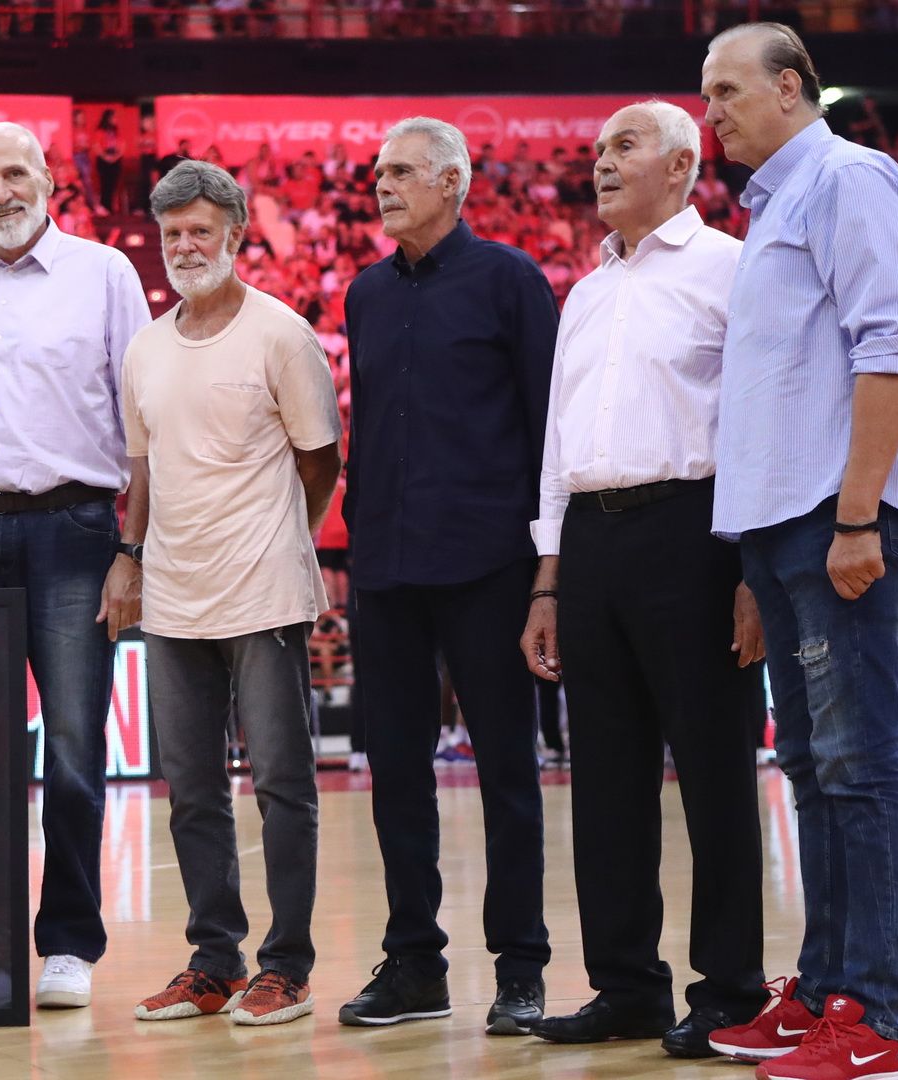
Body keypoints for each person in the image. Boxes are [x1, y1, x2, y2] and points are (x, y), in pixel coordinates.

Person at [698, 25, 898, 1080]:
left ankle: (871, 1017)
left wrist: (857, 517)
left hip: (837, 519)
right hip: (783, 526)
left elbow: (894, 345)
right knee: (809, 766)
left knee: (857, 766)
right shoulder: (775, 209)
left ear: (791, 87)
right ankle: (822, 987)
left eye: (727, 89)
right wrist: (756, 561)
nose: (711, 111)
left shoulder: (852, 179)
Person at [516, 101, 769, 1060]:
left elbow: (757, 422)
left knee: (713, 772)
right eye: (596, 150)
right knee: (606, 779)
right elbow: (557, 449)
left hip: (695, 532)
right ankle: (625, 986)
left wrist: (751, 565)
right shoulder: (584, 294)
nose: (602, 162)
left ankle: (730, 990)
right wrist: (548, 581)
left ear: (681, 164)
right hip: (591, 540)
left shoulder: (733, 269)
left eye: (623, 145)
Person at [0, 122, 151, 1009]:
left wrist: (132, 548)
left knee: (77, 744)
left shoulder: (105, 273)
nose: (0, 191)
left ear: (50, 180)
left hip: (75, 529)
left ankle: (69, 943)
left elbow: (144, 421)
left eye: (15, 173)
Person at [337, 116, 557, 1036]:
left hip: (489, 564)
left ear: (452, 182)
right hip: (387, 568)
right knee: (395, 773)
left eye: (401, 172)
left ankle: (521, 968)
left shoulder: (511, 280)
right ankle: (414, 965)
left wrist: (548, 573)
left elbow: (549, 429)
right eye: (378, 174)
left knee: (507, 770)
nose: (382, 187)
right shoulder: (364, 293)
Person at [122, 161, 341, 1028]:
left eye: (200, 231)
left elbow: (320, 459)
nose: (185, 246)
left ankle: (286, 967)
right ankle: (214, 962)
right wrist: (131, 554)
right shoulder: (145, 347)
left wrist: (286, 537)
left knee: (283, 784)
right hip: (174, 596)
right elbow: (143, 468)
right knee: (192, 790)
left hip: (263, 592)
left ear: (236, 235)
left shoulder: (282, 334)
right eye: (172, 233)